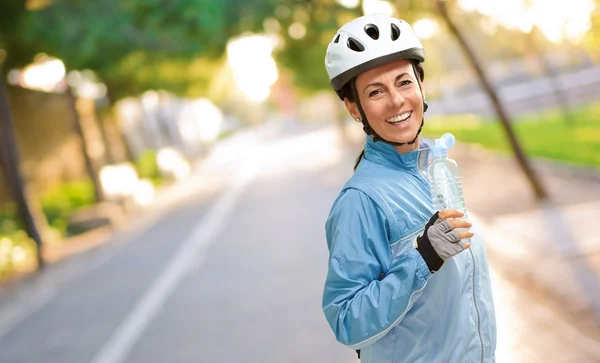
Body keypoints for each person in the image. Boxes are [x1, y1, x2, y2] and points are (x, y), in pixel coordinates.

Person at [321, 14, 497, 362]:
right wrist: (421, 259)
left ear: (421, 85)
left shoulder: (434, 167)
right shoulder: (360, 201)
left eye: (403, 82)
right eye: (375, 91)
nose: (396, 101)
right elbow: (347, 321)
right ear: (353, 107)